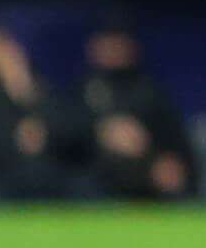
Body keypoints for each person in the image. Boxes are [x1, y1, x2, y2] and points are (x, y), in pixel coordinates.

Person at [73, 26, 196, 202]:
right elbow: (66, 139)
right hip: (95, 174)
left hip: (147, 172)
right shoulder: (80, 92)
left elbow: (175, 141)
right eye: (107, 45)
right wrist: (103, 131)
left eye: (118, 45)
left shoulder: (150, 92)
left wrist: (163, 161)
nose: (113, 51)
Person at [0, 26, 74, 201]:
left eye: (0, 47)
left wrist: (21, 85)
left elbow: (65, 136)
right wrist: (14, 138)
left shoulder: (27, 89)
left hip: (40, 179)